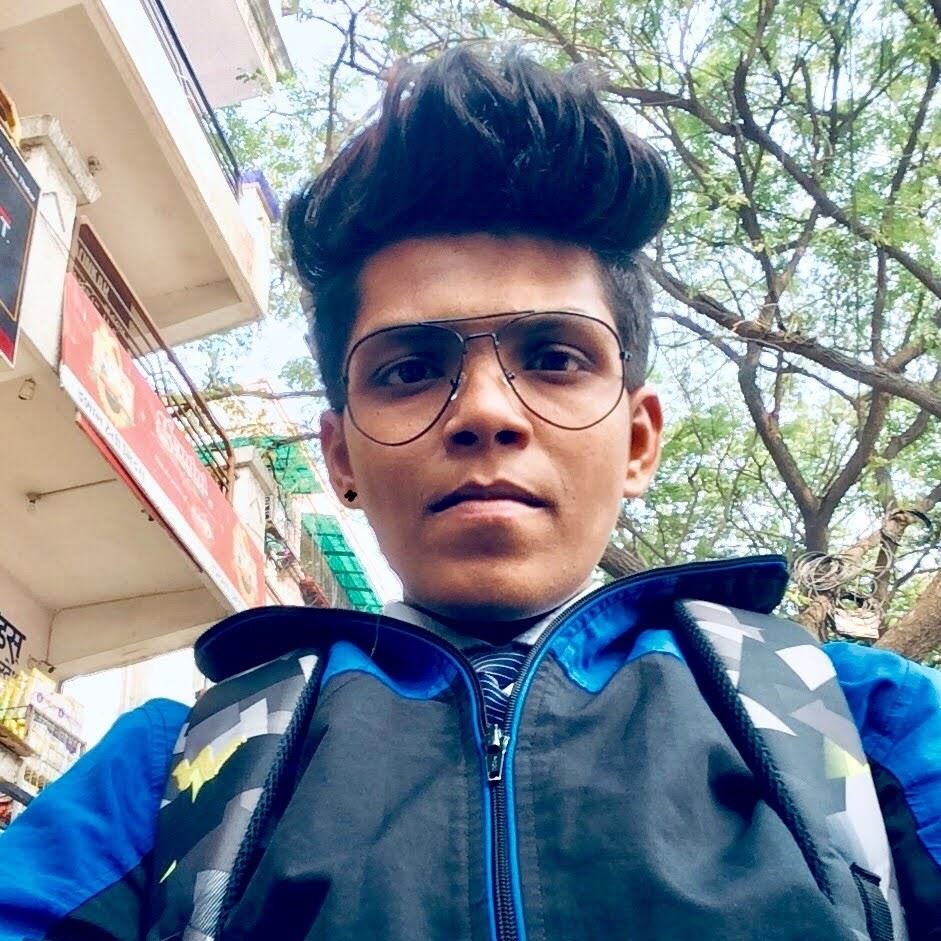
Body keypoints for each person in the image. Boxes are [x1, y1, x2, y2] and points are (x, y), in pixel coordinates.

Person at [0, 45, 939, 941]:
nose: (485, 411)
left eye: (555, 357)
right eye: (410, 369)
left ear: (637, 439)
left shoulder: (862, 722)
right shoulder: (169, 775)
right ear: (340, 457)